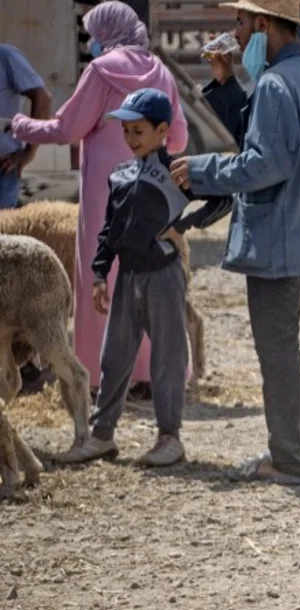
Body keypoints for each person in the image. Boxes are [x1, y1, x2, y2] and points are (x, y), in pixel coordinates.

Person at [170, 0, 300, 484]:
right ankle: (298, 450)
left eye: (241, 23)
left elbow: (264, 163)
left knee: (277, 351)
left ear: (263, 25)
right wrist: (224, 83)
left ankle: (287, 459)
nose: (235, 34)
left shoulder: (278, 84)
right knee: (285, 345)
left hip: (278, 237)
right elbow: (262, 136)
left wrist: (201, 171)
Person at [8, 2, 188, 391]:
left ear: (105, 33)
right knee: (147, 273)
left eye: (93, 33)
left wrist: (20, 125)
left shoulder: (101, 72)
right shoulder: (161, 72)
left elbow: (67, 128)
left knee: (101, 275)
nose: (91, 42)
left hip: (103, 193)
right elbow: (179, 137)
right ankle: (150, 374)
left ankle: (102, 374)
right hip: (150, 189)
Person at [57, 89, 196, 467]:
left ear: (163, 130)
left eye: (139, 131)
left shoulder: (177, 172)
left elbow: (221, 199)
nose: (131, 139)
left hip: (164, 275)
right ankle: (103, 435)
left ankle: (170, 437)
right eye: (127, 131)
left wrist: (182, 226)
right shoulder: (121, 174)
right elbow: (109, 229)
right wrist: (100, 273)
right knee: (114, 355)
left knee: (167, 357)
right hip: (128, 275)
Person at [0, 44, 51, 209]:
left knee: (3, 231)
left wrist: (29, 151)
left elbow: (42, 98)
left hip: (3, 167)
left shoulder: (6, 57)